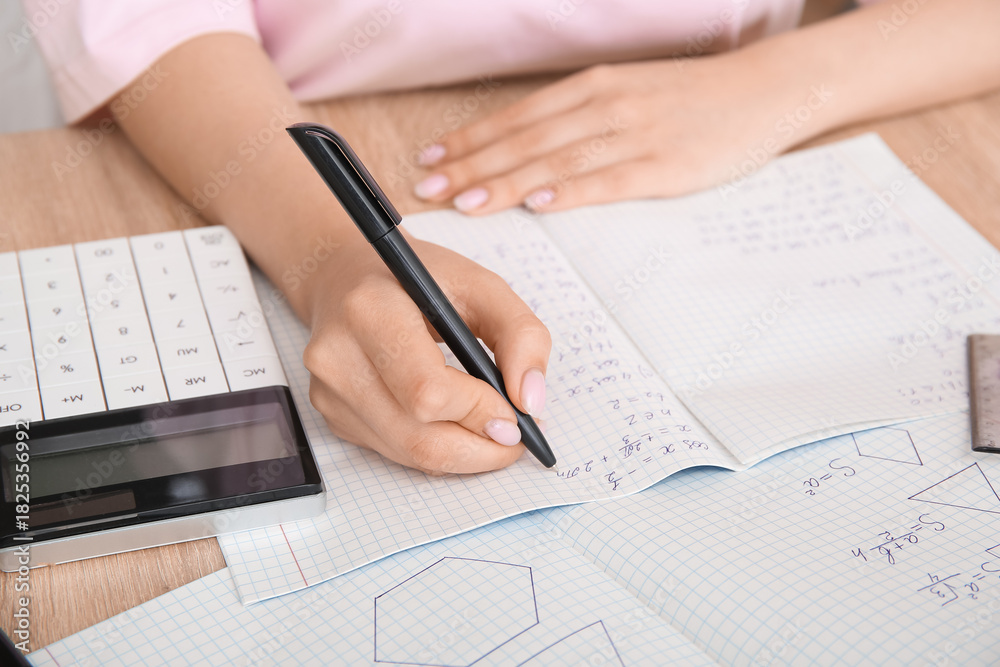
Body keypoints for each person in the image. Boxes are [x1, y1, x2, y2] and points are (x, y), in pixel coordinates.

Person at [23, 0, 1000, 474]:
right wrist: (332, 254)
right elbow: (144, 24)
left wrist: (780, 85)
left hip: (769, 118)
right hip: (267, 132)